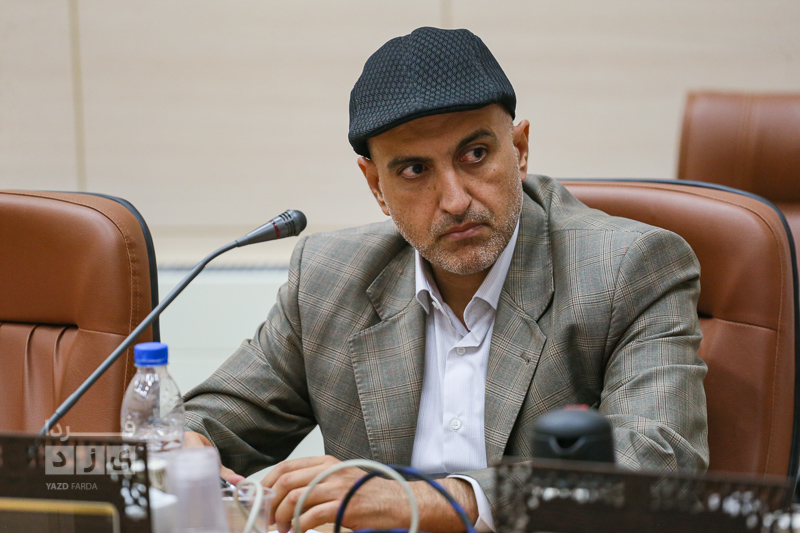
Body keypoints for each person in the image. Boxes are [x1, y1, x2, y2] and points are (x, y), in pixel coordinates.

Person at [183, 26, 709, 533]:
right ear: (376, 185)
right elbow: (208, 422)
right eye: (415, 170)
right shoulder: (328, 278)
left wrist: (436, 501)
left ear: (520, 150)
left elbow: (660, 467)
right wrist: (183, 445)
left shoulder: (629, 268)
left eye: (475, 155)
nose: (455, 200)